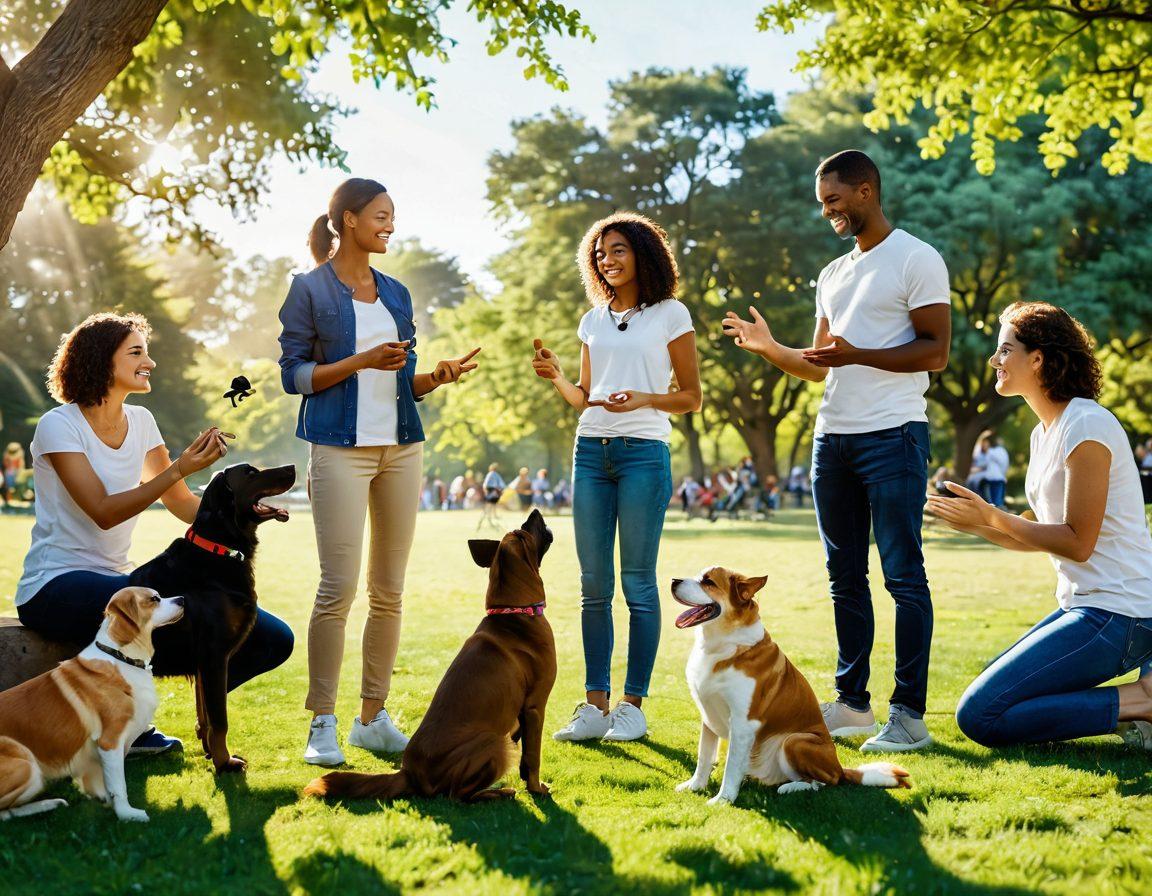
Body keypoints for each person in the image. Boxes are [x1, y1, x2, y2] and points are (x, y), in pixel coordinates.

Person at [722, 149, 951, 752]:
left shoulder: (916, 257)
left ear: (867, 191)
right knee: (843, 578)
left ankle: (909, 716)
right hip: (834, 439)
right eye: (822, 202)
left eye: (835, 200)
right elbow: (820, 365)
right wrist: (769, 347)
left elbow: (935, 351)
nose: (827, 211)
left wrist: (860, 355)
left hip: (893, 432)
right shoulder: (833, 274)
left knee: (903, 575)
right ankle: (852, 704)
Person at [15, 312, 293, 755]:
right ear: (102, 360)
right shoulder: (59, 425)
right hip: (55, 584)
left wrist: (239, 504)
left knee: (274, 638)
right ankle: (134, 727)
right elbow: (103, 512)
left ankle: (186, 719)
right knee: (138, 593)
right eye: (137, 352)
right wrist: (180, 466)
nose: (151, 361)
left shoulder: (141, 421)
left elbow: (184, 505)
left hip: (122, 581)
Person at [278, 177, 480, 766]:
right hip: (339, 449)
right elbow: (294, 376)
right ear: (346, 219)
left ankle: (372, 716)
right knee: (337, 589)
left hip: (401, 449)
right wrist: (362, 359)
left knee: (388, 592)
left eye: (393, 216)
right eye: (380, 216)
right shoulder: (309, 290)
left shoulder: (395, 293)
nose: (389, 225)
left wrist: (433, 378)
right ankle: (322, 722)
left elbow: (401, 383)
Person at [928, 302, 1152, 751]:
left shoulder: (1086, 423)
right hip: (1088, 607)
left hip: (1121, 611)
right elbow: (1039, 530)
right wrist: (976, 524)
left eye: (1005, 349)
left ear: (1038, 358)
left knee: (980, 715)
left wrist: (992, 515)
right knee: (1001, 688)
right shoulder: (1044, 432)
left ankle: (1142, 702)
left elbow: (1077, 541)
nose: (995, 360)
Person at [533, 211, 701, 743]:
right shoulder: (593, 320)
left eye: (619, 250)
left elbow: (691, 396)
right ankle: (594, 705)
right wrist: (557, 377)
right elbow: (584, 397)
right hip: (591, 451)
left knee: (637, 583)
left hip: (643, 452)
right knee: (592, 586)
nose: (607, 259)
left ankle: (632, 705)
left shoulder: (670, 314)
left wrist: (648, 398)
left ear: (643, 254)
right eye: (600, 253)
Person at [981, 433, 1010, 508]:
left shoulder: (993, 451)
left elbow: (1003, 463)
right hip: (996, 479)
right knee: (995, 502)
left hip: (995, 479)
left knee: (996, 503)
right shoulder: (995, 451)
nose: (983, 445)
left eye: (985, 443)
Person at [478, 462, 505, 529]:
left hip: (491, 492)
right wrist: (501, 492)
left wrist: (486, 492)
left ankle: (486, 521)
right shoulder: (496, 475)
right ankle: (490, 521)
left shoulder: (489, 474)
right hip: (494, 492)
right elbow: (502, 485)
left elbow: (485, 484)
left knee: (488, 508)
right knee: (492, 508)